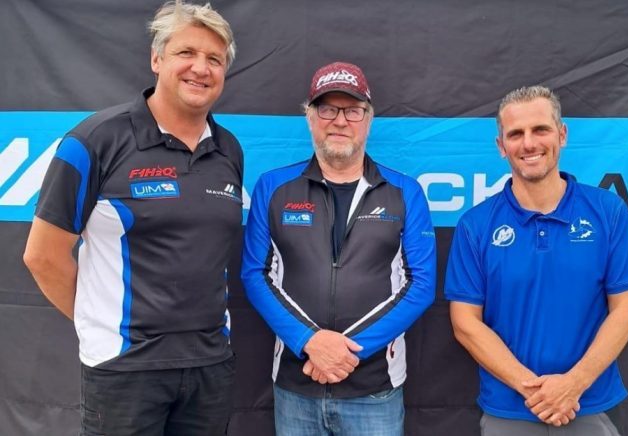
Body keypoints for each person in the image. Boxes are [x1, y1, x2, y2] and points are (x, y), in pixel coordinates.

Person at [23, 2, 241, 434]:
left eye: (214, 59)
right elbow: (42, 256)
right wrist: (103, 329)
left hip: (210, 366)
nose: (201, 68)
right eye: (186, 52)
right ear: (156, 59)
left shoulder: (228, 149)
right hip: (125, 370)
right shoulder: (95, 140)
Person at [241, 61, 436, 436]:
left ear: (369, 119)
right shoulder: (273, 187)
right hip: (296, 386)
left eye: (353, 110)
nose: (340, 121)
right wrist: (309, 342)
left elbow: (422, 285)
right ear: (310, 117)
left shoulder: (405, 192)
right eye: (327, 109)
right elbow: (255, 275)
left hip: (374, 389)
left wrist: (342, 353)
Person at [445, 85, 628, 435]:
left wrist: (573, 384)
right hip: (509, 410)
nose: (529, 143)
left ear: (562, 134)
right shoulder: (475, 225)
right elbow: (465, 322)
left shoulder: (608, 212)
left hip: (589, 404)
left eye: (540, 129)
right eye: (516, 134)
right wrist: (534, 390)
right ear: (501, 146)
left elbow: (627, 309)